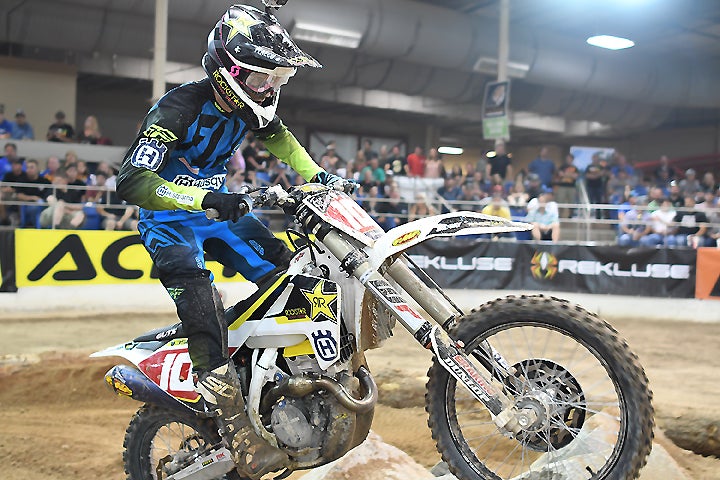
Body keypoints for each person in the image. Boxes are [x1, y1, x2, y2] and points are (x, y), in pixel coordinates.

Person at [114, 6, 351, 478]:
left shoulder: (249, 106)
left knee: (297, 277)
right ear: (231, 72)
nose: (271, 90)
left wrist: (322, 178)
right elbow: (131, 181)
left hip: (221, 212)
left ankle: (288, 381)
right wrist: (202, 198)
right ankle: (233, 422)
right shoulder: (178, 107)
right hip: (170, 217)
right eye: (264, 80)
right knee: (201, 309)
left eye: (276, 81)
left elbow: (281, 140)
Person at [15, 159, 52, 228]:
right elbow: (19, 195)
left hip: (44, 204)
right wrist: (33, 198)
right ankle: (38, 228)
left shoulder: (45, 181)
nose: (29, 170)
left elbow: (49, 195)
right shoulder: (22, 180)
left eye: (31, 167)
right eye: (27, 168)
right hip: (28, 205)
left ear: (37, 169)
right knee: (34, 208)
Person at [553, 153, 579, 218]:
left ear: (572, 159)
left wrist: (566, 174)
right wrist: (570, 175)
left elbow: (575, 176)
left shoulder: (575, 168)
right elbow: (560, 174)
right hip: (562, 187)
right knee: (560, 201)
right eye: (567, 158)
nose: (568, 160)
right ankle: (559, 216)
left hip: (571, 187)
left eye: (570, 158)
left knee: (571, 202)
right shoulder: (562, 167)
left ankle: (570, 216)